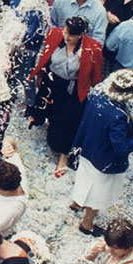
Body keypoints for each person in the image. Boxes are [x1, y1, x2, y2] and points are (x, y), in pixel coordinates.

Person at [72, 69, 133, 236]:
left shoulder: (97, 93)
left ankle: (77, 203)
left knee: (84, 177)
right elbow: (119, 147)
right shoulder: (118, 115)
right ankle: (87, 223)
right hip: (104, 158)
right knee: (97, 192)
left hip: (88, 145)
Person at [28, 16, 103, 177]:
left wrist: (94, 92)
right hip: (52, 81)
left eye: (71, 35)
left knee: (69, 121)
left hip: (73, 86)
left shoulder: (92, 48)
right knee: (48, 109)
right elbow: (45, 59)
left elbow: (96, 74)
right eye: (65, 32)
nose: (66, 37)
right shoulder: (55, 34)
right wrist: (39, 79)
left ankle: (64, 156)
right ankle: (49, 129)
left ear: (81, 35)